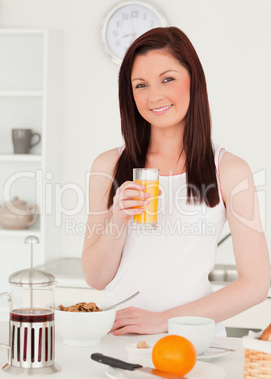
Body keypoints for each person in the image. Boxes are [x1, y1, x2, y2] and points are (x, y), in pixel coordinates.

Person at [81, 27, 270, 336]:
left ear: (193, 80)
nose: (154, 95)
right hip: (118, 337)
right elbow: (95, 278)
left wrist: (164, 320)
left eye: (167, 79)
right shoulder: (109, 166)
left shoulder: (229, 169)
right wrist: (118, 217)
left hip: (194, 342)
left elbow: (256, 285)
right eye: (140, 85)